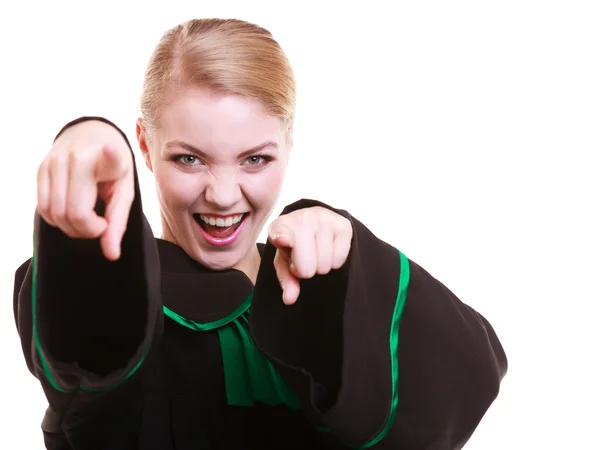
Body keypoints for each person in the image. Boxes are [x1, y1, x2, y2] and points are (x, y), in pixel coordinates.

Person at [13, 18, 507, 450]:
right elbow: (82, 335)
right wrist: (89, 145)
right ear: (145, 142)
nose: (224, 195)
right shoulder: (126, 308)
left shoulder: (324, 298)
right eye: (189, 158)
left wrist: (346, 267)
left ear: (289, 144)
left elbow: (460, 393)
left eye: (256, 158)